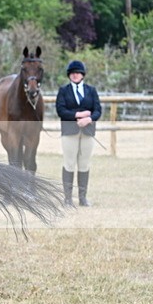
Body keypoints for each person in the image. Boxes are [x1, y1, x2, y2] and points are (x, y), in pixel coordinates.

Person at [56, 60, 102, 207]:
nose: (75, 75)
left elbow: (98, 110)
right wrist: (79, 115)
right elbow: (61, 110)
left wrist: (89, 119)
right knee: (69, 163)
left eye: (78, 73)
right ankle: (68, 199)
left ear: (82, 75)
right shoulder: (63, 91)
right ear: (69, 75)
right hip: (70, 131)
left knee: (84, 164)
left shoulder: (91, 90)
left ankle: (83, 198)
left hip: (88, 131)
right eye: (73, 73)